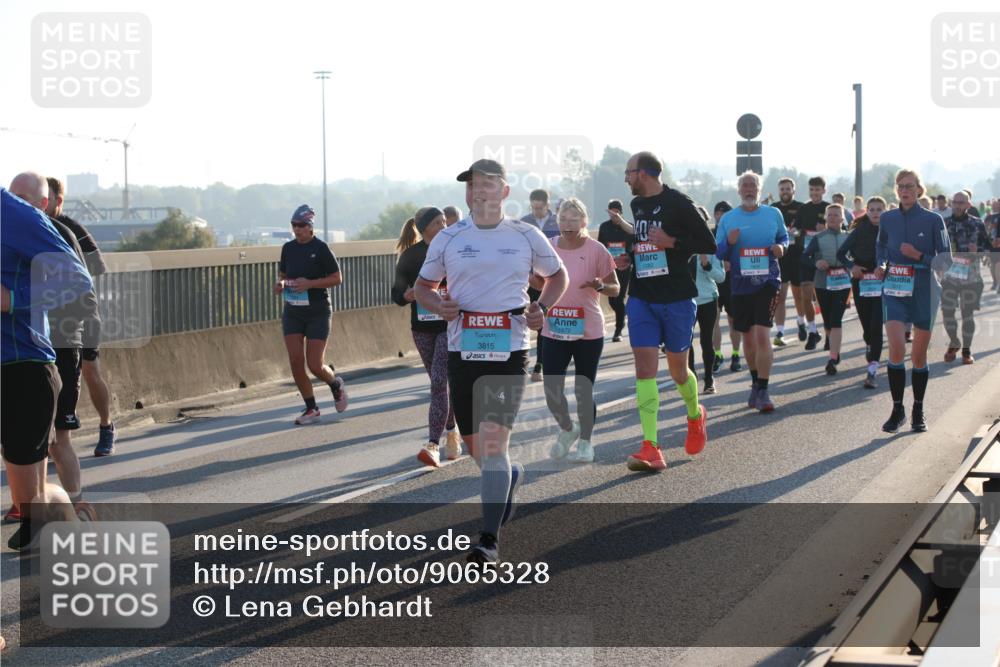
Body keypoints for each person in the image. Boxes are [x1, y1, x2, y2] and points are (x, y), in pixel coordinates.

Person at [415, 158, 567, 563]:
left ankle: (487, 539)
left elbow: (558, 276)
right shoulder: (447, 238)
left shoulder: (526, 235)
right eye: (471, 186)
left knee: (494, 445)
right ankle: (509, 478)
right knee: (478, 450)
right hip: (462, 350)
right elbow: (422, 287)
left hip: (509, 351)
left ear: (504, 192)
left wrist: (543, 307)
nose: (477, 192)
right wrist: (439, 305)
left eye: (485, 184)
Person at [5, 173, 100, 525]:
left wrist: (15, 299)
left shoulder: (31, 221)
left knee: (39, 485)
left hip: (34, 359)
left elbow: (79, 284)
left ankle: (74, 513)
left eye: (25, 195)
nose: (19, 199)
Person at [616, 151, 716, 472]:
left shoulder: (680, 203)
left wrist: (672, 241)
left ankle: (694, 414)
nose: (626, 178)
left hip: (676, 297)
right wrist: (632, 256)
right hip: (642, 296)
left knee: (677, 371)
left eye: (629, 172)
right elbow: (644, 241)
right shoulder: (637, 205)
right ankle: (651, 447)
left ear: (644, 173)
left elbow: (708, 243)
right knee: (644, 370)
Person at [534, 198, 618, 463]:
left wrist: (601, 286)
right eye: (562, 219)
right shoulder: (549, 247)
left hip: (588, 330)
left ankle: (586, 442)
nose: (567, 224)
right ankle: (568, 430)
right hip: (554, 327)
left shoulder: (597, 250)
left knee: (584, 389)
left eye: (573, 220)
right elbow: (541, 283)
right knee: (552, 390)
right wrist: (528, 276)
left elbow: (615, 287)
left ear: (584, 222)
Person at [44, 177, 117, 456]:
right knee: (52, 375)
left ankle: (106, 425)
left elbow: (98, 267)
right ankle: (53, 440)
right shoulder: (32, 228)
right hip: (53, 316)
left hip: (84, 313)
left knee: (90, 370)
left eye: (46, 199)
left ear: (57, 201)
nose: (42, 204)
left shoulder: (72, 229)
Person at [876, 169, 950, 433]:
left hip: (925, 289)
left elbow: (945, 261)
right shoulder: (887, 218)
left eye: (909, 186)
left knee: (918, 355)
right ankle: (898, 410)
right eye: (900, 186)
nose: (904, 190)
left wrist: (919, 255)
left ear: (919, 190)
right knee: (896, 348)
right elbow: (881, 248)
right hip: (894, 287)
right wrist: (881, 264)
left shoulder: (933, 220)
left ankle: (918, 408)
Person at [391, 206, 462, 466]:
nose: (444, 226)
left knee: (439, 380)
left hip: (448, 326)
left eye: (445, 221)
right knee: (439, 384)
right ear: (423, 230)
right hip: (421, 328)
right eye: (437, 223)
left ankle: (433, 443)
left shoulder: (455, 250)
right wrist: (407, 295)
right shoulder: (411, 256)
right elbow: (396, 295)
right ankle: (452, 429)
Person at [715, 171, 789, 412]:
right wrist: (731, 242)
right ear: (738, 190)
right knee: (747, 338)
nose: (748, 189)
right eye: (744, 185)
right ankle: (756, 382)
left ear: (759, 189)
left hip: (767, 282)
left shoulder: (773, 213)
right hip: (740, 284)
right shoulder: (728, 219)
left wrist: (781, 248)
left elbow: (784, 237)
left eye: (753, 185)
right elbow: (719, 252)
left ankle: (764, 389)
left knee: (761, 335)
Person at [273, 204, 347, 425]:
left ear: (310, 226)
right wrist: (280, 284)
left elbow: (337, 278)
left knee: (314, 364)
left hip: (317, 311)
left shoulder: (321, 248)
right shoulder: (288, 248)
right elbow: (283, 274)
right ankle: (311, 407)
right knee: (296, 361)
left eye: (302, 225)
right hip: (293, 311)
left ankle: (335, 384)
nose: (297, 229)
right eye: (294, 225)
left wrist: (310, 284)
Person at [838, 196, 887, 388]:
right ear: (867, 211)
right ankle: (869, 343)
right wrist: (852, 267)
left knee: (876, 325)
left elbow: (894, 253)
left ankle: (872, 369)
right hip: (861, 281)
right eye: (872, 209)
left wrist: (885, 267)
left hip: (881, 281)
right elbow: (841, 253)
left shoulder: (889, 231)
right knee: (867, 325)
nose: (876, 213)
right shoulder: (859, 230)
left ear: (885, 211)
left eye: (879, 209)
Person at [940, 190, 990, 365]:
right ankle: (954, 341)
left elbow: (988, 247)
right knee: (947, 313)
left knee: (967, 314)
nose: (958, 205)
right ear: (951, 203)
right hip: (949, 277)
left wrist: (978, 251)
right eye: (955, 202)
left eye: (962, 202)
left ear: (969, 204)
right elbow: (936, 248)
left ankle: (967, 352)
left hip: (971, 278)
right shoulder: (944, 223)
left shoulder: (977, 224)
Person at [802, 204, 851, 375]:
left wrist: (850, 265)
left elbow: (856, 256)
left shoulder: (849, 237)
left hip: (843, 283)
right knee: (828, 320)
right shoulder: (819, 237)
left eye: (836, 214)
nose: (832, 217)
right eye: (829, 215)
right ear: (825, 217)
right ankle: (832, 345)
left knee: (836, 318)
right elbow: (804, 256)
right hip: (823, 283)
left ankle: (832, 357)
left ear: (842, 217)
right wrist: (816, 263)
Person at [521, 189, 558, 381]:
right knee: (525, 321)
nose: (535, 211)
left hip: (552, 281)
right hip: (529, 280)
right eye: (533, 207)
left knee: (544, 324)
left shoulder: (559, 222)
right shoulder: (524, 222)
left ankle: (539, 365)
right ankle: (521, 361)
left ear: (547, 205)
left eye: (539, 207)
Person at [792, 177, 830, 350]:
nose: (814, 193)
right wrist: (794, 231)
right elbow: (797, 228)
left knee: (825, 299)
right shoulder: (804, 208)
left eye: (817, 190)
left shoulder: (829, 208)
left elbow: (843, 230)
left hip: (826, 258)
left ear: (823, 190)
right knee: (806, 295)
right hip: (806, 257)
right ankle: (813, 331)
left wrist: (827, 229)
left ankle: (830, 332)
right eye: (811, 190)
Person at [688, 230, 726, 394]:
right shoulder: (683, 248)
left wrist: (707, 265)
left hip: (708, 300)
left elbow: (721, 277)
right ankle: (692, 379)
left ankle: (709, 379)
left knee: (706, 340)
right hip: (686, 301)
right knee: (686, 342)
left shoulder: (712, 250)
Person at [771, 177, 804, 347]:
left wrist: (797, 232)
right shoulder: (773, 209)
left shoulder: (801, 207)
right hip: (780, 258)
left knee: (798, 295)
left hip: (797, 256)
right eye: (782, 189)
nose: (785, 192)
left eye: (787, 189)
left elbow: (805, 229)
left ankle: (801, 321)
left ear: (793, 190)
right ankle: (780, 331)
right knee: (780, 296)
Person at [597, 199, 633, 342]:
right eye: (612, 212)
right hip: (609, 268)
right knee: (612, 301)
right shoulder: (604, 227)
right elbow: (600, 246)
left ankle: (618, 329)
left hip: (624, 268)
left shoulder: (629, 226)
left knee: (619, 297)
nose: (614, 215)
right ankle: (622, 316)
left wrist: (628, 256)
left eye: (617, 212)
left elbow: (634, 246)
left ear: (621, 212)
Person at [711, 201, 741, 372]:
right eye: (718, 213)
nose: (720, 216)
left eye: (725, 213)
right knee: (714, 320)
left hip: (733, 281)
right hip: (714, 282)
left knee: (733, 321)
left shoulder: (736, 234)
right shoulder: (709, 233)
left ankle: (736, 354)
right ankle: (718, 354)